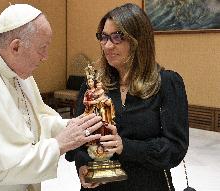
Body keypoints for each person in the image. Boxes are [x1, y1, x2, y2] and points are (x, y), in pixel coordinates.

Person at [0, 4, 103, 191]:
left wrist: (69, 127)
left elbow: (32, 122)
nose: (45, 57)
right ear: (15, 46)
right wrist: (58, 144)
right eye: (42, 48)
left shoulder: (13, 68)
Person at [65, 3, 189, 191]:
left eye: (117, 37)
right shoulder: (93, 85)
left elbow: (175, 148)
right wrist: (82, 166)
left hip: (146, 184)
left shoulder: (167, 83)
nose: (107, 45)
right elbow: (77, 141)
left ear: (138, 40)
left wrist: (126, 147)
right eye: (104, 37)